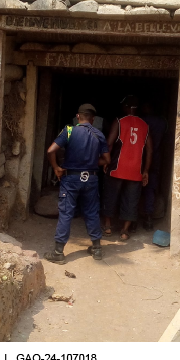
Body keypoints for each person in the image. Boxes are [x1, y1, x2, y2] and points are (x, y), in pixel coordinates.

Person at [44, 104, 111, 264]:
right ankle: (96, 248)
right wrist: (91, 162)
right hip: (91, 179)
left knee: (66, 213)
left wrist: (56, 168)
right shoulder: (99, 134)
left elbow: (50, 150)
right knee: (92, 212)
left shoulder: (69, 130)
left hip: (71, 179)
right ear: (93, 119)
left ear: (78, 117)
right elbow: (107, 160)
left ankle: (58, 252)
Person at [102, 95, 152, 240]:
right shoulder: (144, 125)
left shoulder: (119, 121)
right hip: (135, 171)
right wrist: (146, 171)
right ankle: (124, 231)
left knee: (110, 196)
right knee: (131, 200)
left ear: (127, 107)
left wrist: (106, 161)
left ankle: (108, 227)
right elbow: (150, 150)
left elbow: (109, 143)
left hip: (117, 168)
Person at [140, 102, 167, 230]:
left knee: (133, 190)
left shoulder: (140, 121)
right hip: (155, 160)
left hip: (139, 160)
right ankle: (148, 219)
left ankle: (132, 220)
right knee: (150, 189)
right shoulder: (162, 123)